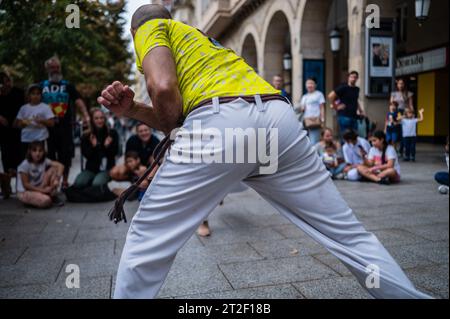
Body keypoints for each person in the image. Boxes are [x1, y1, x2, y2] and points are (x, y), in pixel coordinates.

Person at [98, 4, 430, 299]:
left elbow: (163, 87)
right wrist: (135, 110)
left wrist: (178, 136)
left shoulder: (151, 26)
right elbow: (178, 107)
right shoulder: (203, 43)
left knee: (146, 240)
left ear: (133, 32)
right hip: (277, 120)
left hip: (221, 125)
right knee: (349, 235)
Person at [40, 56, 90, 189]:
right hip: (47, 128)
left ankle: (65, 181)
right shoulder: (41, 86)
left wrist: (86, 115)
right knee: (50, 155)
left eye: (57, 67)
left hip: (66, 126)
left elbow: (78, 100)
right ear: (47, 69)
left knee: (66, 154)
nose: (55, 70)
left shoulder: (67, 85)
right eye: (52, 67)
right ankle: (52, 181)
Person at [73, 108, 119, 188]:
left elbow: (115, 153)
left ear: (105, 119)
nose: (99, 120)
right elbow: (86, 155)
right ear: (92, 120)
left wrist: (107, 146)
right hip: (91, 168)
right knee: (78, 183)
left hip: (107, 168)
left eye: (101, 118)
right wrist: (94, 147)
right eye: (96, 118)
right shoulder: (86, 135)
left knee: (96, 184)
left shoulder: (112, 133)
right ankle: (91, 181)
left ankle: (97, 184)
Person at [16, 141, 64, 208]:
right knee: (46, 201)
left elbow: (60, 166)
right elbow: (26, 185)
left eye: (40, 151)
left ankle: (50, 195)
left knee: (53, 169)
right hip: (25, 191)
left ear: (43, 152)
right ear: (30, 152)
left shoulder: (44, 160)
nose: (37, 153)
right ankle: (46, 196)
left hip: (39, 187)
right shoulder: (25, 164)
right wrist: (43, 190)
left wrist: (57, 179)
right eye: (34, 151)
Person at [14, 84, 55, 158]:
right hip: (26, 139)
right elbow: (17, 124)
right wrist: (24, 123)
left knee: (40, 160)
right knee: (26, 160)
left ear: (41, 95)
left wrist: (42, 121)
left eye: (38, 94)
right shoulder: (23, 108)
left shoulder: (45, 107)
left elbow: (52, 123)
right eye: (33, 93)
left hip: (40, 138)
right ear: (29, 95)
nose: (36, 96)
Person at [0, 72, 24, 198]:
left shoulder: (18, 93)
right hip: (3, 132)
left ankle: (20, 187)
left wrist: (19, 119)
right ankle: (6, 187)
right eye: (4, 82)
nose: (6, 84)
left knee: (19, 158)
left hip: (17, 131)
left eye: (8, 81)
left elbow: (25, 107)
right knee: (6, 158)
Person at [328, 71, 366, 141]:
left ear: (357, 78)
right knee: (345, 138)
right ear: (348, 78)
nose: (353, 79)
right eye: (351, 77)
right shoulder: (343, 87)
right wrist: (336, 107)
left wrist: (360, 110)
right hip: (344, 116)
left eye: (355, 77)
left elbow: (355, 100)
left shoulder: (357, 89)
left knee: (355, 138)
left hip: (354, 116)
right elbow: (330, 96)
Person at [390, 78, 414, 158]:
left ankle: (401, 150)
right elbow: (391, 104)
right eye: (399, 83)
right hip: (396, 113)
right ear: (397, 85)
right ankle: (395, 150)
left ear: (404, 84)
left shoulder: (408, 93)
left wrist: (412, 113)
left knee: (404, 132)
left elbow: (410, 105)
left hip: (405, 113)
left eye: (402, 83)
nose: (400, 85)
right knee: (396, 131)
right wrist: (390, 114)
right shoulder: (394, 94)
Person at [298, 77, 325, 145]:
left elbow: (322, 107)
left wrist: (322, 119)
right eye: (308, 83)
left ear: (315, 85)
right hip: (306, 122)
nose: (309, 85)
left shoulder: (319, 94)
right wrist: (302, 108)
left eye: (311, 83)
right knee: (306, 142)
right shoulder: (304, 97)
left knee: (314, 142)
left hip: (315, 120)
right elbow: (302, 109)